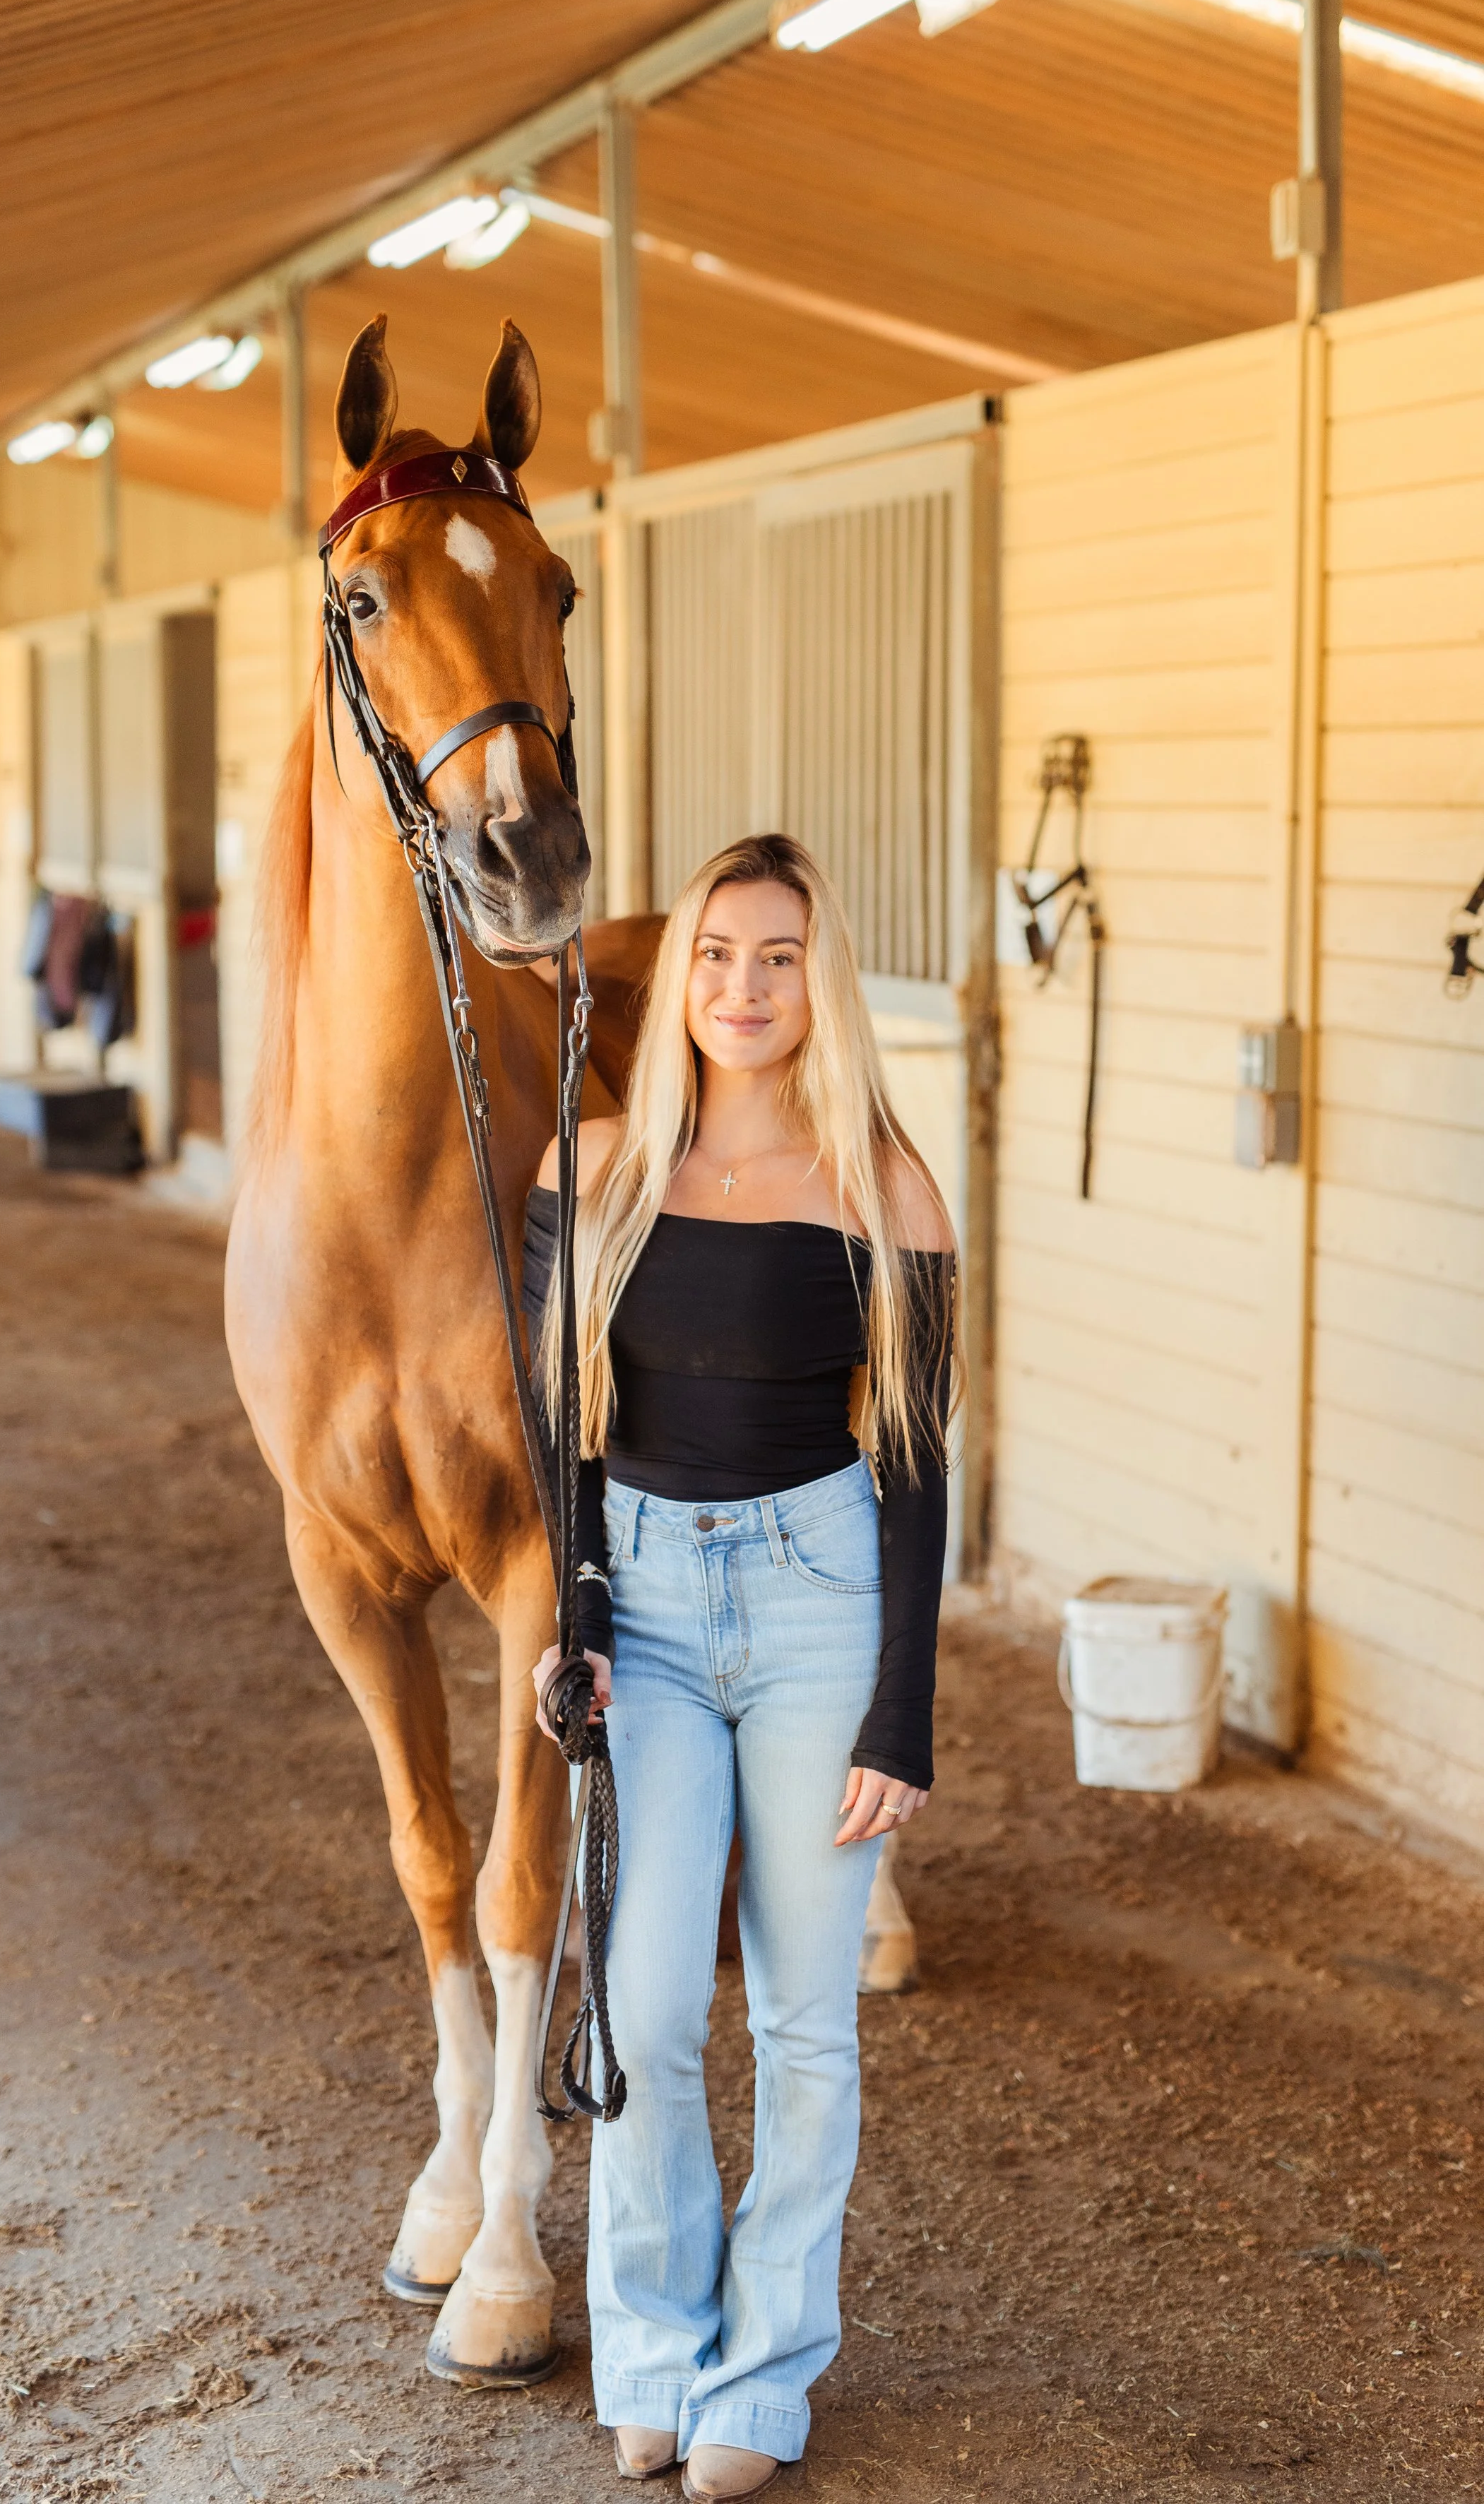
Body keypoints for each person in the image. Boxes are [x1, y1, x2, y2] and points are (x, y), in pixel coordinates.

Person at [521, 833, 956, 2500]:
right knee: (640, 2004)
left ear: (815, 978)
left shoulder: (882, 1184)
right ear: (678, 979)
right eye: (715, 955)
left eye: (776, 957)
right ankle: (650, 2349)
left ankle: (760, 2380)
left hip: (813, 1601)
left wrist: (898, 1710)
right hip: (643, 1597)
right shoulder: (601, 1168)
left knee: (800, 2017)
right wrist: (574, 1608)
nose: (743, 989)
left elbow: (915, 1463)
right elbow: (558, 1422)